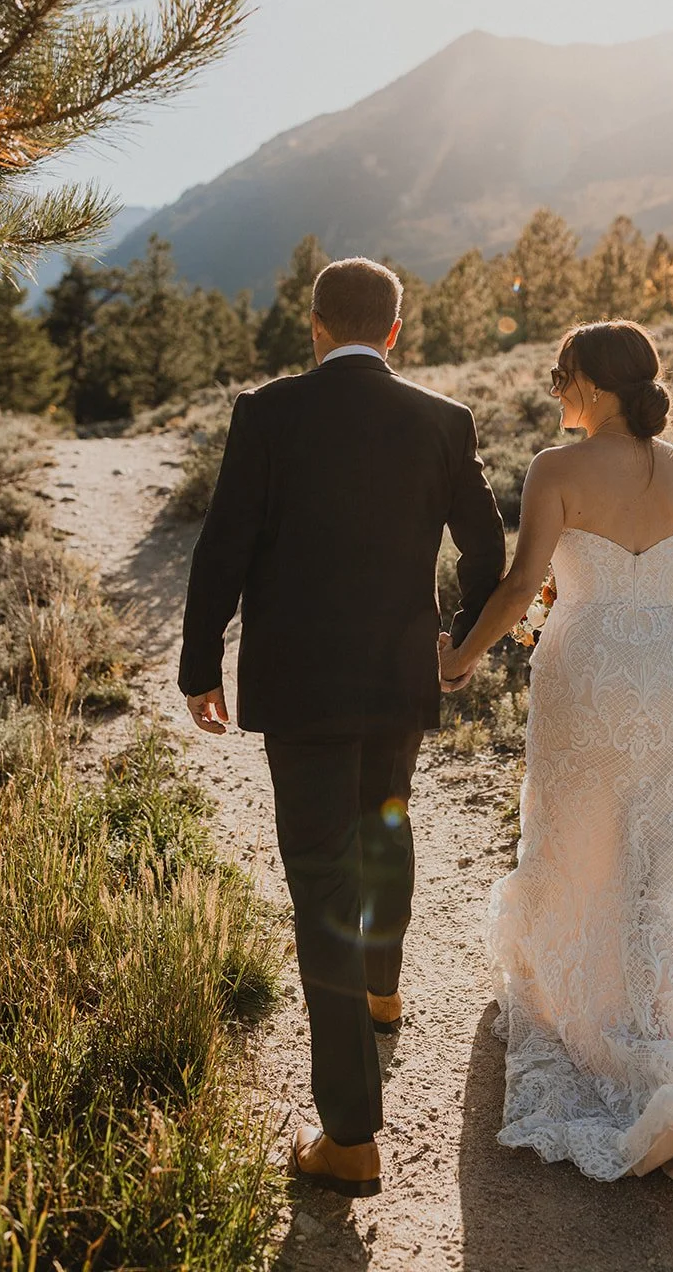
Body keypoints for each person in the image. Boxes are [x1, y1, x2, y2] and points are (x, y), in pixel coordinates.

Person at [439, 320, 673, 1222]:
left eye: (561, 374)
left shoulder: (555, 470)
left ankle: (580, 1012)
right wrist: (653, 619)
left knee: (571, 829)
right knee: (649, 847)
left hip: (584, 665)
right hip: (662, 667)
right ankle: (658, 1023)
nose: (554, 387)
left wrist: (460, 658)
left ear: (592, 387)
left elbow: (521, 589)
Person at [179, 256, 505, 1198]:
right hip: (399, 673)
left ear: (313, 324)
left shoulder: (268, 412)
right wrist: (458, 638)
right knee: (388, 817)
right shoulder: (444, 421)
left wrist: (201, 665)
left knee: (320, 876)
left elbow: (224, 545)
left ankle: (351, 1136)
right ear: (394, 332)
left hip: (302, 684)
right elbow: (484, 543)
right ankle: (384, 986)